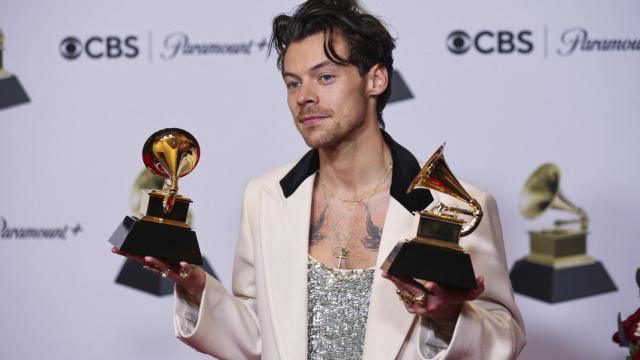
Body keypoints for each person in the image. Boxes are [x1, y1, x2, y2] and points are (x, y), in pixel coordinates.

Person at [113, 0, 525, 358]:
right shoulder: (266, 197)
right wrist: (196, 284)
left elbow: (505, 338)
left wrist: (450, 315)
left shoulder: (454, 206)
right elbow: (260, 337)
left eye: (325, 77)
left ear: (376, 80)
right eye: (293, 82)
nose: (303, 96)